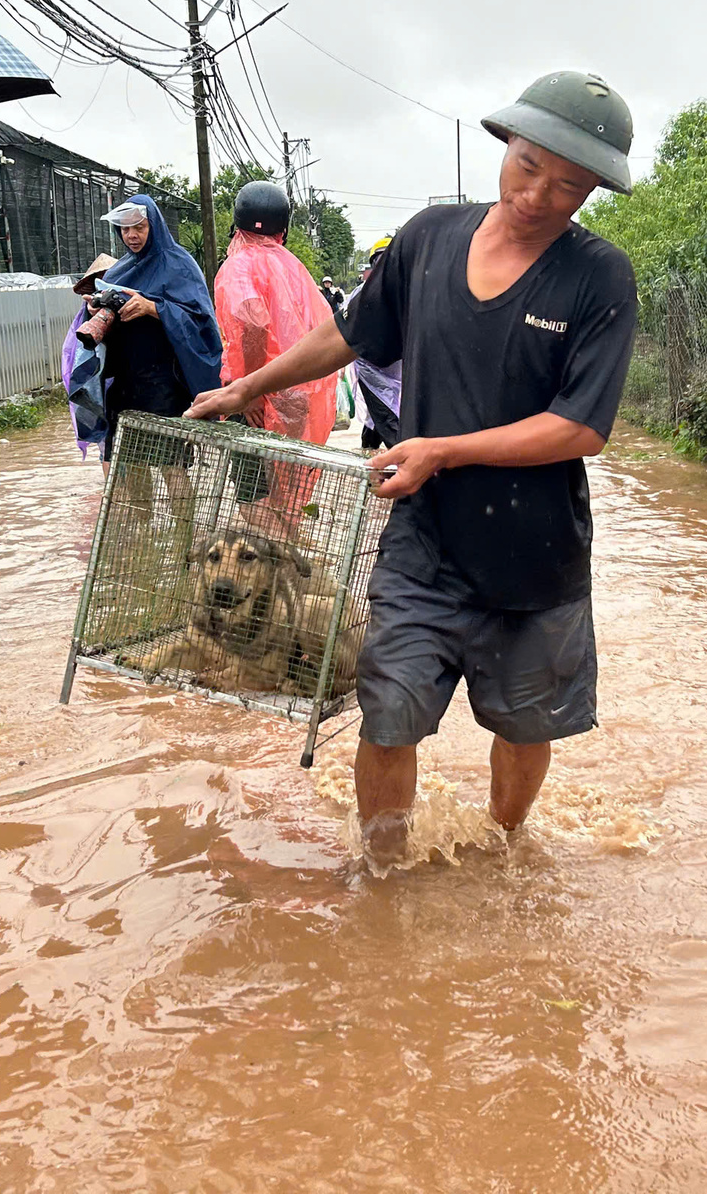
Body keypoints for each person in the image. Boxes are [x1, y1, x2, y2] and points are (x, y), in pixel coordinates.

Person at [186, 72, 638, 864]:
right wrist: (247, 387)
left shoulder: (599, 278)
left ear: (593, 189)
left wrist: (443, 451)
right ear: (508, 144)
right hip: (424, 545)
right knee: (387, 715)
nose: (539, 195)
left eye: (570, 186)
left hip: (536, 560)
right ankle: (383, 877)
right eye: (529, 167)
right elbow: (351, 334)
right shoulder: (428, 240)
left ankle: (505, 847)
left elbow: (579, 428)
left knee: (525, 729)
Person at [62, 193, 222, 488]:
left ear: (155, 226)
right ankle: (134, 534)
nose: (132, 236)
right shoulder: (119, 270)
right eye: (125, 229)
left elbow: (202, 323)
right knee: (127, 471)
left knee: (172, 468)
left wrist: (154, 308)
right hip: (122, 386)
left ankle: (181, 535)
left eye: (140, 227)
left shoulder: (180, 266)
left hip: (164, 386)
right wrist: (92, 309)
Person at [212, 181, 335, 447]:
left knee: (254, 483)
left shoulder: (239, 266)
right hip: (295, 388)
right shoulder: (293, 268)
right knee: (288, 478)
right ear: (283, 229)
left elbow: (254, 328)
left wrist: (251, 392)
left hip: (258, 393)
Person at [345, 235, 402, 451]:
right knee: (387, 418)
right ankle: (405, 468)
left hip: (399, 368)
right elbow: (345, 328)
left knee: (382, 414)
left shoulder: (410, 290)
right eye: (379, 260)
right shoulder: (363, 293)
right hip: (371, 368)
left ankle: (369, 453)